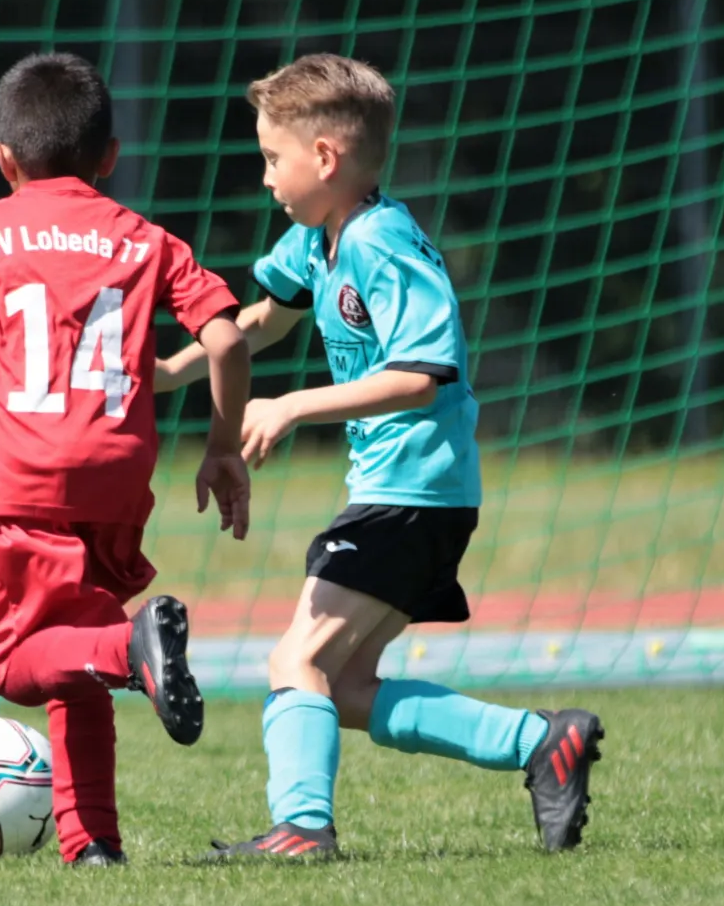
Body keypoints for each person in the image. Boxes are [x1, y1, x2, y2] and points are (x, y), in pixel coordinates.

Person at [159, 54, 602, 859]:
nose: (265, 178)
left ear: (325, 158)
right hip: (406, 493)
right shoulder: (318, 237)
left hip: (413, 492)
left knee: (296, 658)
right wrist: (167, 372)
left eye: (273, 158)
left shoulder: (381, 241)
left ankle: (303, 828)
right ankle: (541, 741)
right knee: (344, 687)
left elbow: (422, 376)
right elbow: (260, 320)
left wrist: (292, 405)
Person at [0, 51, 252, 866]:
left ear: (1, 159)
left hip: (23, 481)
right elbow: (225, 339)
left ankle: (131, 648)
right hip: (116, 479)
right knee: (75, 651)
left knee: (12, 664)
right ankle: (91, 842)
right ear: (110, 155)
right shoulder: (146, 239)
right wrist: (223, 449)